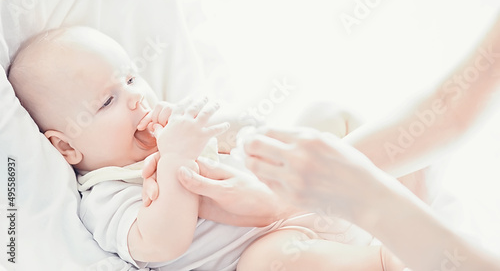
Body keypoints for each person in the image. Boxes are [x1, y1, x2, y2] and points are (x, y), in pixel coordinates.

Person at [8, 26, 409, 270]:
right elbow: (159, 246)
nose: (135, 99)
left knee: (329, 115)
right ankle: (390, 261)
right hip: (282, 248)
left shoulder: (173, 126)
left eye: (130, 79)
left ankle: (413, 198)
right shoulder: (106, 193)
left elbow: (250, 134)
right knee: (261, 264)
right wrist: (176, 161)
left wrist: (205, 126)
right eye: (107, 101)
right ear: (66, 147)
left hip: (299, 195)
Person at [226, 15, 500, 271]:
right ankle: (405, 200)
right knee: (327, 113)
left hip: (298, 228)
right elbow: (451, 109)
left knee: (261, 262)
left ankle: (388, 254)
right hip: (298, 202)